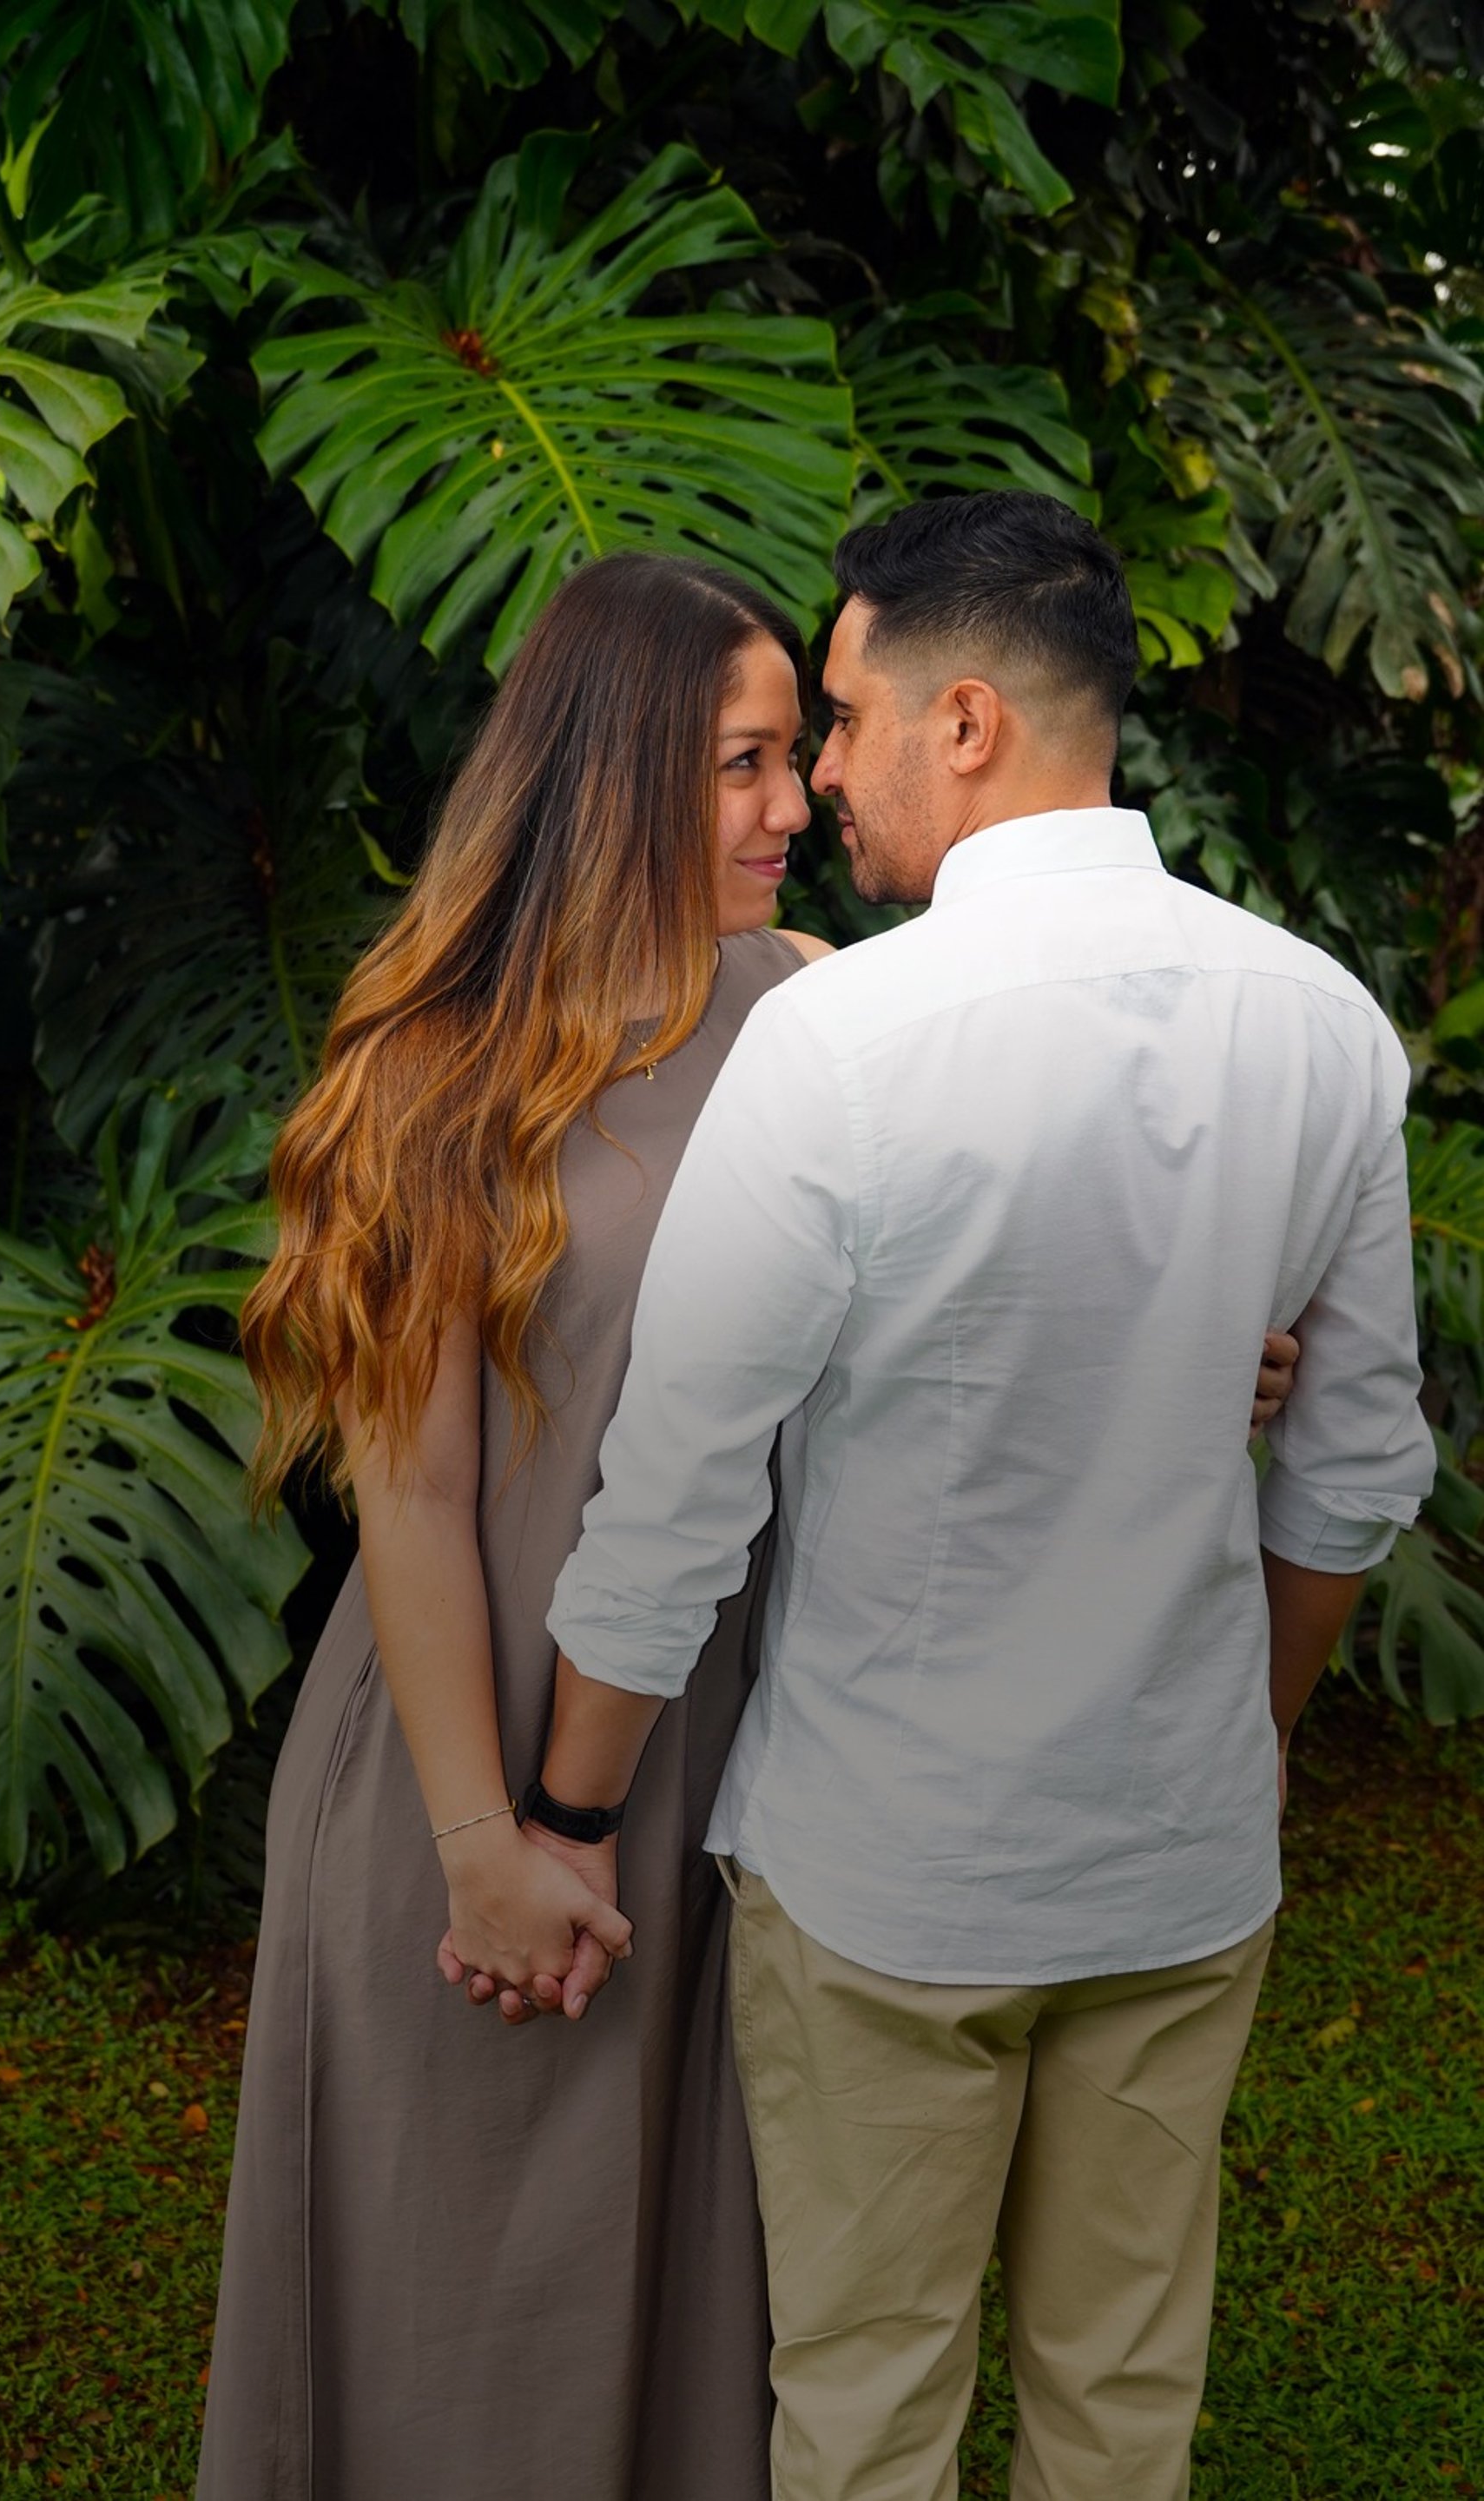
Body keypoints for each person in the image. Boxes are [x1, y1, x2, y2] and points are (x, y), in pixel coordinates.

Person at [196, 537, 1299, 2501]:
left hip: (751, 1752)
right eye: (743, 763)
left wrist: (1223, 1360)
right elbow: (417, 1493)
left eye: (802, 755)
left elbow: (1005, 1297)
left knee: (724, 2284)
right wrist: (485, 1840)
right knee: (468, 2287)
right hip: (481, 1738)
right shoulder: (431, 1077)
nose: (801, 807)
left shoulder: (820, 1007)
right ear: (608, 768)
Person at [526, 493, 1435, 2501]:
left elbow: (678, 1496)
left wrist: (569, 1810)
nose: (819, 771)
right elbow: (1355, 1468)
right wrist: (1245, 1743)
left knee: (863, 2409)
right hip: (1181, 1861)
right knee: (1124, 2405)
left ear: (962, 720)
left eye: (838, 720)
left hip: (891, 1870)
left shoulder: (844, 1042)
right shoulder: (1323, 1027)